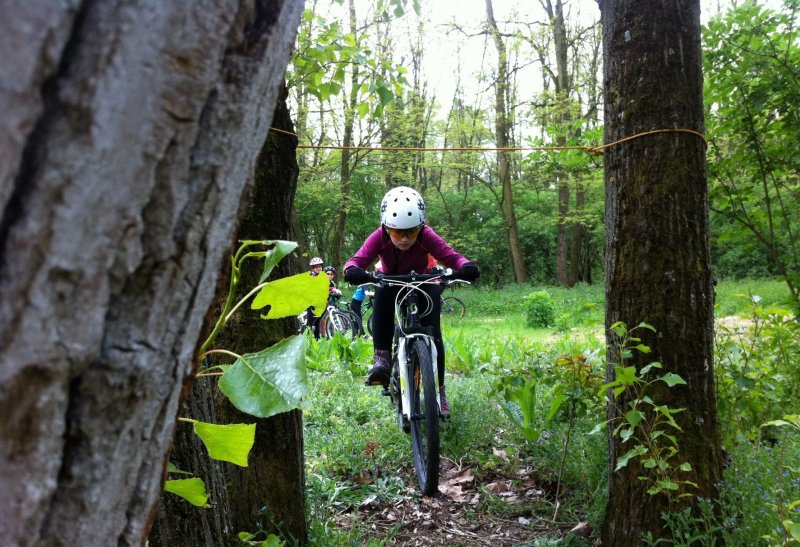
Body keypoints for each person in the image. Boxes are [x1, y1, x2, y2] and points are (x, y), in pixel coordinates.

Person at [343, 186, 479, 418]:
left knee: (434, 335)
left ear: (421, 227)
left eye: (411, 231)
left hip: (424, 280)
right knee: (382, 296)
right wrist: (353, 271)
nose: (404, 238)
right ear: (387, 228)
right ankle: (382, 357)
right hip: (392, 281)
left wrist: (464, 266)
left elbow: (450, 255)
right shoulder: (380, 236)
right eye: (397, 233)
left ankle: (440, 391)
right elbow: (356, 260)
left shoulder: (427, 235)